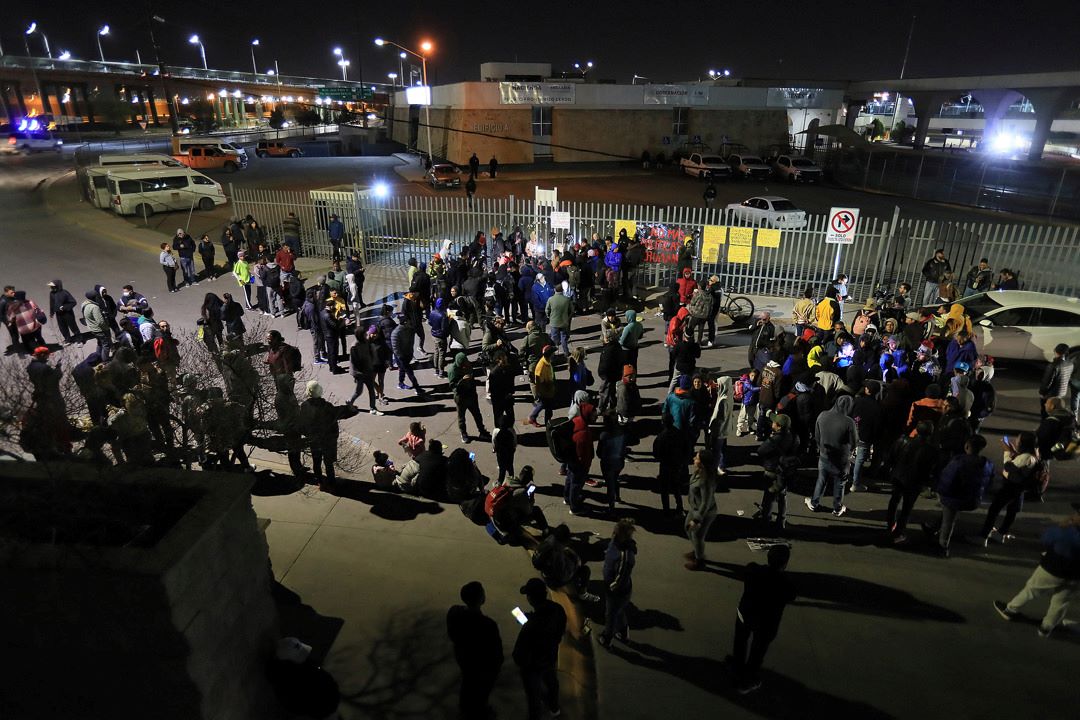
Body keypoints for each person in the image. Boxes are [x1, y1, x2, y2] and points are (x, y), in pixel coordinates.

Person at [994, 504, 1080, 638]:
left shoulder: (1067, 532)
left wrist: (1062, 526)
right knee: (1061, 601)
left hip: (1053, 567)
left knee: (1032, 589)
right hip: (1075, 574)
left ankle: (1010, 609)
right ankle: (1046, 627)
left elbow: (1046, 538)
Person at [731, 544, 797, 695]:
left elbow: (747, 572)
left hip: (745, 614)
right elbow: (791, 596)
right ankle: (747, 680)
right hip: (766, 624)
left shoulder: (753, 569)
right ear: (785, 564)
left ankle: (736, 667)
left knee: (740, 642)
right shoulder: (785, 584)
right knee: (757, 653)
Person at [926, 434, 994, 557]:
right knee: (947, 515)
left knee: (949, 520)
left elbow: (947, 479)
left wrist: (939, 491)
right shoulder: (987, 464)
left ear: (967, 446)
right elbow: (989, 483)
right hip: (973, 499)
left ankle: (943, 546)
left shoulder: (959, 461)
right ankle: (934, 528)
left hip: (954, 498)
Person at [447, 581, 503, 720]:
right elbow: (497, 655)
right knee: (480, 694)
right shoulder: (488, 625)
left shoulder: (454, 613)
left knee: (467, 686)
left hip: (464, 661)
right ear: (481, 598)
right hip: (482, 668)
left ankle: (466, 709)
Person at [513, 577, 567, 720]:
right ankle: (554, 708)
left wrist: (526, 622)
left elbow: (518, 653)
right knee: (552, 683)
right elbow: (558, 629)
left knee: (533, 695)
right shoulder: (558, 610)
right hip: (550, 657)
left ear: (531, 599)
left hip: (533, 665)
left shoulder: (530, 626)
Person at [981, 431, 1042, 546]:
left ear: (1024, 443)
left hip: (1012, 486)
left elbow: (1009, 467)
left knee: (994, 509)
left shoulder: (1026, 457)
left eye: (1018, 440)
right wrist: (1014, 452)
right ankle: (1001, 534)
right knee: (1012, 511)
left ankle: (983, 536)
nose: (1015, 441)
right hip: (1018, 487)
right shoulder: (1032, 454)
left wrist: (1007, 452)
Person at [885, 421, 938, 544]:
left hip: (898, 475)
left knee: (894, 500)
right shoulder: (931, 450)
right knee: (907, 507)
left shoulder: (903, 441)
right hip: (915, 481)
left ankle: (890, 523)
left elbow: (891, 457)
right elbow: (931, 468)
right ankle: (899, 531)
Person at [805, 395, 857, 516]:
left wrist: (821, 448)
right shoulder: (849, 422)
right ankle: (837, 508)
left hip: (824, 455)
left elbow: (817, 436)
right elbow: (854, 442)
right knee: (839, 483)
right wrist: (849, 452)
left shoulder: (822, 415)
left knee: (821, 480)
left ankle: (814, 503)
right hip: (841, 460)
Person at [598, 518, 637, 649]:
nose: (613, 534)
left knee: (610, 615)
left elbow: (621, 578)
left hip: (618, 592)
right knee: (618, 612)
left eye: (616, 532)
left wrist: (611, 588)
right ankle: (623, 633)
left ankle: (607, 638)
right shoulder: (615, 543)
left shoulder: (626, 557)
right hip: (616, 589)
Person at [299, 381, 341, 489]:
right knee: (328, 463)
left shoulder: (304, 406)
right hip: (327, 440)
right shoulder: (328, 406)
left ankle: (320, 482)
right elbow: (334, 425)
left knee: (316, 462)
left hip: (314, 440)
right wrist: (335, 436)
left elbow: (303, 424)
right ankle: (332, 482)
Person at [685, 450, 720, 570]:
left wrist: (697, 519)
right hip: (695, 508)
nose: (694, 458)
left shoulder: (706, 481)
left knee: (698, 536)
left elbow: (706, 502)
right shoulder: (699, 473)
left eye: (697, 458)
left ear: (703, 463)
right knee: (688, 530)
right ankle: (696, 551)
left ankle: (699, 560)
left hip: (704, 513)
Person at [449, 352, 490, 443]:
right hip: (461, 397)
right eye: (462, 365)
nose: (464, 366)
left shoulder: (468, 365)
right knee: (461, 417)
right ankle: (463, 433)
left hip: (471, 394)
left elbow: (472, 378)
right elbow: (453, 387)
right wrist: (462, 381)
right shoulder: (452, 370)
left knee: (477, 414)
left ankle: (482, 431)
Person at [1040, 343, 1074, 418]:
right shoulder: (1070, 363)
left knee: (1046, 412)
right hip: (1061, 392)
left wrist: (1042, 392)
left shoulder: (1053, 365)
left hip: (1050, 394)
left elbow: (1047, 382)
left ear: (1055, 351)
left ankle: (1046, 427)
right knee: (1057, 411)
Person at [47, 280, 79, 344]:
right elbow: (52, 303)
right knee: (62, 327)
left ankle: (79, 340)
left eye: (53, 286)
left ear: (57, 286)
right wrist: (52, 312)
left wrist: (64, 307)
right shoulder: (52, 293)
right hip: (58, 314)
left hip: (68, 314)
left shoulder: (65, 293)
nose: (51, 288)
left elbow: (73, 302)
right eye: (51, 287)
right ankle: (67, 339)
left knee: (73, 327)